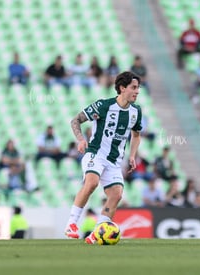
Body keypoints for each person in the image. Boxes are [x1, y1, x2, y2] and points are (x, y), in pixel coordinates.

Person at [64, 71, 142, 244]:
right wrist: (81, 139)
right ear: (122, 88)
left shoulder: (136, 112)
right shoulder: (103, 105)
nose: (137, 91)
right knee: (91, 182)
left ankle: (97, 233)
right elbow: (75, 120)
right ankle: (71, 223)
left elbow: (136, 135)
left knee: (117, 194)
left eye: (138, 88)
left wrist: (132, 156)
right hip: (95, 154)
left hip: (115, 161)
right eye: (134, 88)